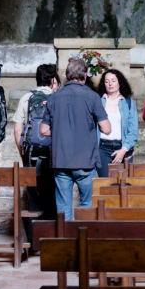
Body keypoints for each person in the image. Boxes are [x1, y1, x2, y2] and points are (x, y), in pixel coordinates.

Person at [36, 55, 110, 218]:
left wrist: (61, 129)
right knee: (86, 206)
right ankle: (83, 241)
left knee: (63, 208)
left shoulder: (54, 97)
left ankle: (66, 241)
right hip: (85, 161)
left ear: (67, 76)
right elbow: (106, 129)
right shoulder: (92, 96)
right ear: (85, 76)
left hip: (61, 160)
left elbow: (43, 130)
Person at [20, 63, 61, 247]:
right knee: (53, 195)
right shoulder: (58, 97)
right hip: (55, 154)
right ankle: (52, 240)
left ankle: (34, 241)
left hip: (31, 154)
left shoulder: (27, 98)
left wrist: (24, 154)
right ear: (53, 80)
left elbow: (18, 130)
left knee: (33, 197)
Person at [93, 67, 137, 177]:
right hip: (102, 147)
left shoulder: (128, 102)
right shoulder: (98, 101)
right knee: (106, 184)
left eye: (113, 81)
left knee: (124, 184)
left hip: (122, 147)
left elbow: (133, 130)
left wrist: (124, 149)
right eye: (107, 81)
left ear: (119, 83)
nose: (110, 84)